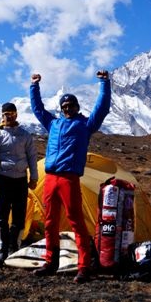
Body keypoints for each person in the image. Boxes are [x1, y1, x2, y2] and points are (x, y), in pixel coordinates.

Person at [29, 70, 111, 284]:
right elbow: (38, 109)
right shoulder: (53, 124)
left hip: (69, 179)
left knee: (76, 221)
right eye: (64, 107)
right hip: (51, 178)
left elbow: (102, 109)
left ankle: (84, 266)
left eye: (71, 106)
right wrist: (34, 86)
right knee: (49, 222)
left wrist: (104, 82)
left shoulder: (85, 125)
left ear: (77, 107)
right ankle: (50, 262)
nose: (67, 109)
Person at [0, 102, 38, 268]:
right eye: (6, 114)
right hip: (2, 180)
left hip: (21, 180)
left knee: (19, 215)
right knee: (2, 215)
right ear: (2, 116)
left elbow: (32, 157)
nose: (9, 116)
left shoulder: (25, 135)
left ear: (16, 115)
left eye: (12, 113)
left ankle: (15, 247)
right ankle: (2, 248)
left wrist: (34, 178)